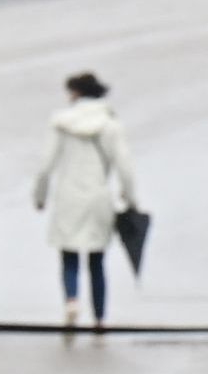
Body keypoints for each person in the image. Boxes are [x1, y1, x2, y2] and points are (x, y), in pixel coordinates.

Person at [36, 72, 136, 330]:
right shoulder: (111, 125)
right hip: (98, 197)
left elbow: (45, 166)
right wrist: (130, 197)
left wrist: (40, 196)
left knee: (69, 255)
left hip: (68, 196)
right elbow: (124, 166)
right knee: (96, 259)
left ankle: (71, 301)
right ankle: (99, 318)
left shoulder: (60, 123)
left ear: (76, 93)